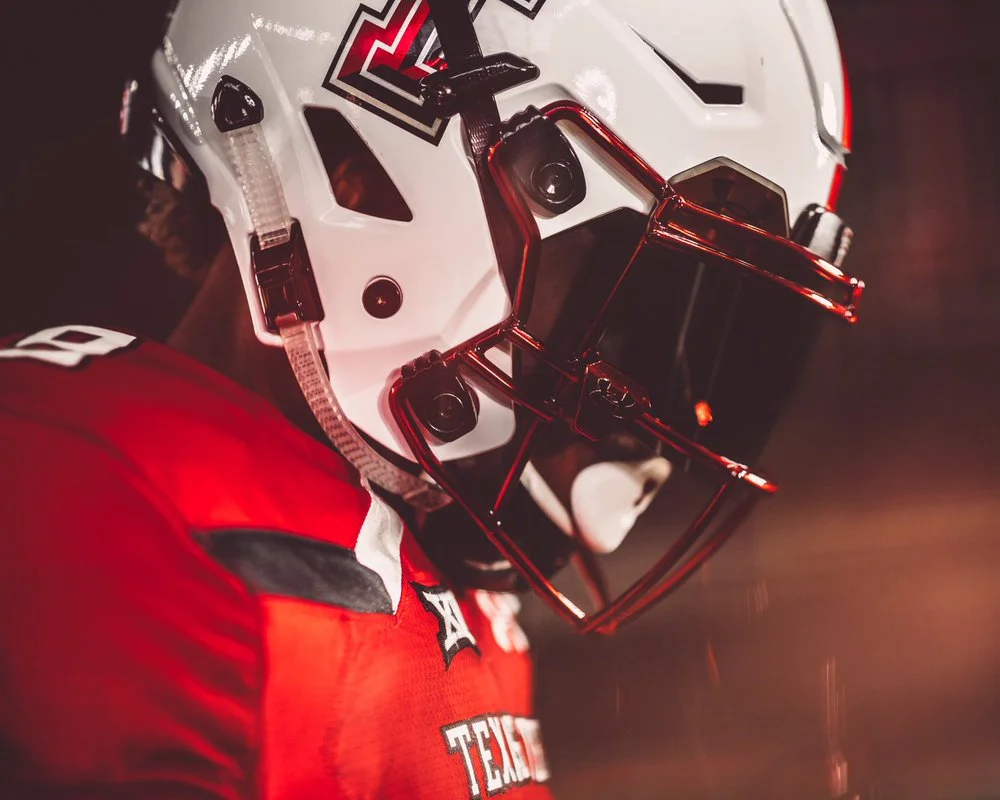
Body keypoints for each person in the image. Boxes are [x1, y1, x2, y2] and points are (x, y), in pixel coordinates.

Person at [0, 0, 860, 797]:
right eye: (636, 304)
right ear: (362, 175)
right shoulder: (96, 499)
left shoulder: (446, 564)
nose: (649, 415)